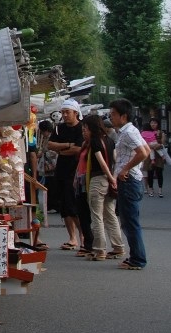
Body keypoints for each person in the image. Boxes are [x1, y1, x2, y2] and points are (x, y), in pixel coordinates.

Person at [109, 98, 149, 270]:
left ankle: (137, 259)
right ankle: (135, 257)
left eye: (113, 115)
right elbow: (146, 149)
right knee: (129, 220)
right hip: (132, 179)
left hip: (129, 180)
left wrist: (125, 169)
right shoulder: (129, 131)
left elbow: (142, 153)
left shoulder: (128, 132)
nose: (111, 118)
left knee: (130, 221)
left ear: (123, 116)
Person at [82, 113, 125, 261]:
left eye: (85, 128)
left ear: (90, 127)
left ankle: (100, 250)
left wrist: (109, 176)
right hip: (109, 181)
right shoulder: (110, 140)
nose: (84, 131)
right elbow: (115, 160)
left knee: (97, 216)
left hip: (98, 180)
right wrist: (114, 177)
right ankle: (118, 247)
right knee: (110, 215)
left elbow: (101, 162)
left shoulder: (94, 141)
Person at [48, 98, 84, 250]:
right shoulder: (59, 128)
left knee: (74, 205)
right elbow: (50, 145)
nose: (64, 115)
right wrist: (68, 145)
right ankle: (72, 237)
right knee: (64, 205)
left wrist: (62, 149)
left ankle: (84, 237)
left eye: (67, 112)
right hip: (61, 169)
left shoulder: (81, 128)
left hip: (76, 171)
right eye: (63, 112)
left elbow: (79, 149)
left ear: (75, 112)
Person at [142, 117, 165, 197]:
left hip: (158, 156)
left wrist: (155, 144)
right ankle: (150, 189)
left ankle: (160, 190)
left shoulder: (161, 133)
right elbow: (143, 144)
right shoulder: (146, 132)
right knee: (150, 173)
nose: (153, 124)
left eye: (155, 123)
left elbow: (162, 144)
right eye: (152, 123)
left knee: (159, 173)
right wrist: (151, 146)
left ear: (158, 124)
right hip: (149, 156)